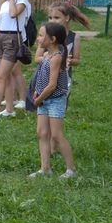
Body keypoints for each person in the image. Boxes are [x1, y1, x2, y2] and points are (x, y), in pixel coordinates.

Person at [28, 22, 75, 179]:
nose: (39, 38)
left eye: (41, 35)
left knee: (56, 135)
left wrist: (39, 98)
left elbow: (52, 85)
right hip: (43, 100)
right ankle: (45, 168)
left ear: (52, 39)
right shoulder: (47, 56)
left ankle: (71, 170)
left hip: (54, 100)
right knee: (42, 133)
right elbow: (42, 76)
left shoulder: (56, 58)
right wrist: (37, 92)